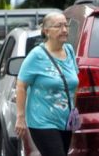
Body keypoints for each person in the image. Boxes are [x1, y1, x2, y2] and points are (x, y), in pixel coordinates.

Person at [15, 12, 79, 156]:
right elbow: (21, 85)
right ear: (46, 31)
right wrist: (20, 117)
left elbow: (74, 83)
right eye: (58, 26)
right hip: (42, 121)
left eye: (65, 25)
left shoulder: (69, 51)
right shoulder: (37, 55)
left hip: (65, 121)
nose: (64, 30)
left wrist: (73, 112)